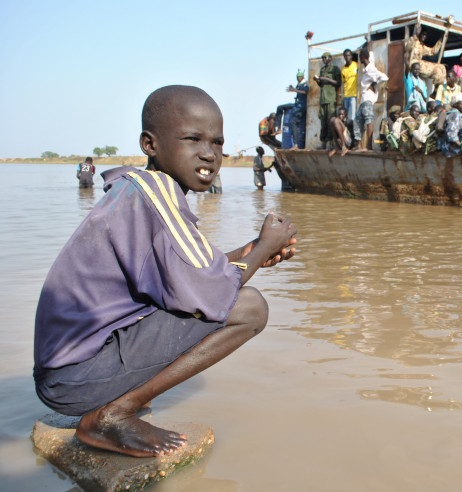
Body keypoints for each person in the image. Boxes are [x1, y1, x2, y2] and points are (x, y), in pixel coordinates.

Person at [33, 85, 298, 458]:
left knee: (231, 295)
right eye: (193, 139)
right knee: (251, 308)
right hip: (73, 377)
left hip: (64, 370)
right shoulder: (157, 197)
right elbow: (210, 296)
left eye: (218, 143)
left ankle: (115, 400)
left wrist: (253, 251)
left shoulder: (139, 190)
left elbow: (188, 278)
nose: (209, 153)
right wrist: (263, 251)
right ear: (150, 144)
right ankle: (111, 415)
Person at [355, 48, 388, 151]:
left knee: (368, 120)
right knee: (357, 121)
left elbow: (384, 77)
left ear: (362, 58)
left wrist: (375, 83)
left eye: (360, 58)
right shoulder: (368, 65)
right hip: (363, 100)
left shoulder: (370, 69)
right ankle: (359, 145)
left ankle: (369, 146)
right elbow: (371, 56)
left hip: (368, 99)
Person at [313, 53, 341, 149]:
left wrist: (326, 78)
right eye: (323, 58)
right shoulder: (322, 69)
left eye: (326, 57)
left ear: (330, 58)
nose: (324, 59)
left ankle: (331, 144)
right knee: (323, 122)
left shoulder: (335, 69)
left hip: (330, 99)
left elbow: (338, 82)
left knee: (330, 122)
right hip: (323, 99)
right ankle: (323, 143)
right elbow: (321, 85)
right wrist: (317, 80)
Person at [438, 94, 462, 158]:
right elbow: (452, 136)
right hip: (452, 150)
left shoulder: (454, 113)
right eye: (461, 104)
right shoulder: (455, 114)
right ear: (455, 104)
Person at [287, 70, 309, 149]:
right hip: (298, 105)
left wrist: (294, 90)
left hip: (301, 106)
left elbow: (305, 92)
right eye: (297, 77)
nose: (298, 78)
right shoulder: (299, 84)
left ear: (302, 77)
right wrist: (292, 88)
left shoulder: (305, 84)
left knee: (293, 122)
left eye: (299, 77)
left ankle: (296, 144)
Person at [341, 49, 358, 121]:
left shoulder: (356, 65)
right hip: (346, 96)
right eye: (345, 56)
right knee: (346, 117)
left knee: (353, 117)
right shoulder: (343, 69)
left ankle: (353, 132)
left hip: (354, 95)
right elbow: (344, 81)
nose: (347, 57)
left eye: (349, 55)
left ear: (351, 56)